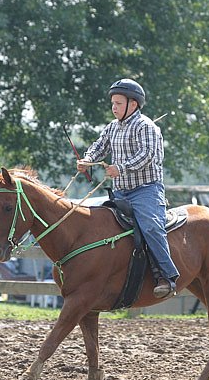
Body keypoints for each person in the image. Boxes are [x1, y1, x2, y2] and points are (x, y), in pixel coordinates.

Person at [77, 78, 179, 299]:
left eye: (118, 103)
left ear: (133, 104)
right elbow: (99, 146)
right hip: (121, 192)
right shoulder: (112, 127)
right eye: (112, 103)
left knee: (151, 227)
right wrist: (87, 159)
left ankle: (166, 276)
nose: (114, 107)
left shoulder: (147, 127)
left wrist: (120, 168)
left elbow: (147, 155)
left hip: (146, 190)